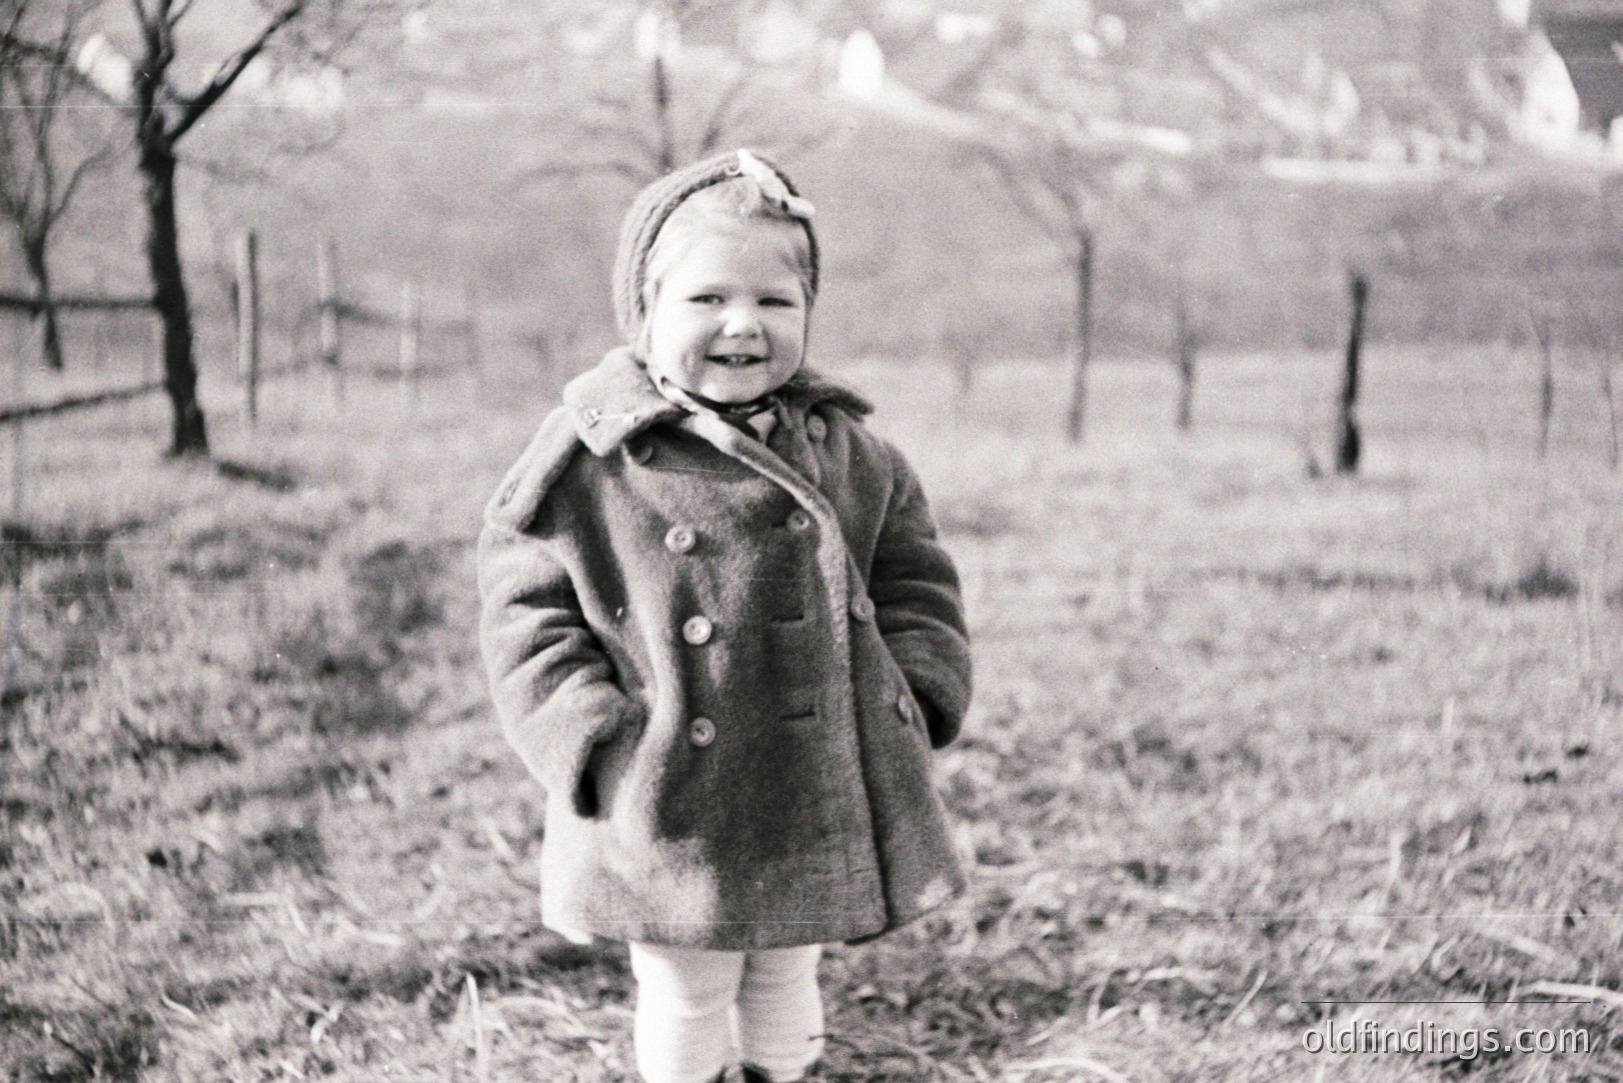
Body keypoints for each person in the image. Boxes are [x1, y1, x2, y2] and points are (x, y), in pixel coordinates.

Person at [477, 148, 972, 1083]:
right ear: (646, 311)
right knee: (687, 985)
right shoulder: (592, 455)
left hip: (810, 776)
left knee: (787, 967)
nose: (741, 324)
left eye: (774, 302)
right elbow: (526, 610)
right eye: (705, 300)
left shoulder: (851, 450)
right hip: (667, 795)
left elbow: (915, 577)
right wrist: (596, 741)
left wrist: (922, 685)